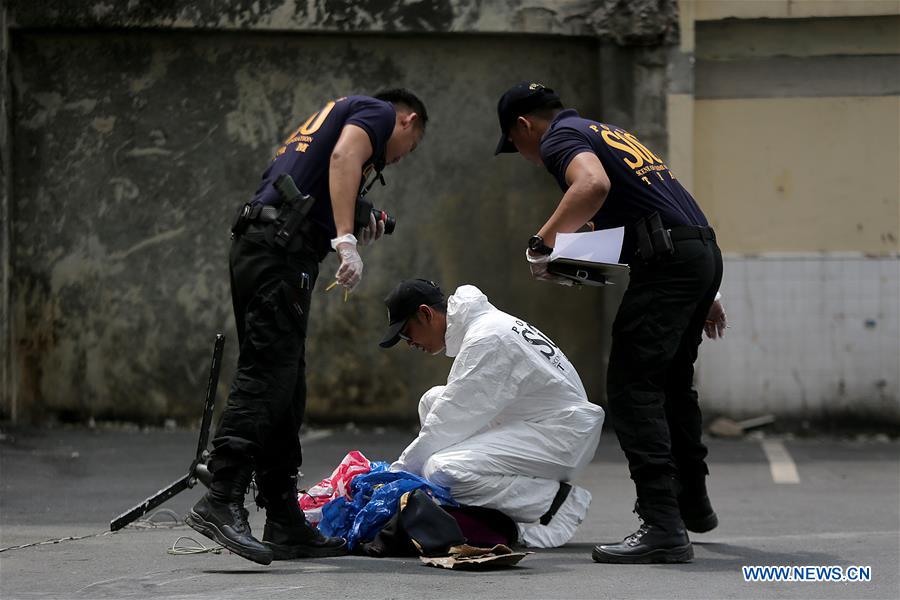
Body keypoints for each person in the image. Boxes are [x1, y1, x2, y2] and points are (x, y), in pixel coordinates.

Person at [186, 90, 428, 565]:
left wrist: (359, 215)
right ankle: (221, 497)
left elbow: (312, 177)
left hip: (264, 244)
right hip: (278, 252)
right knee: (268, 373)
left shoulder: (329, 119)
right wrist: (344, 241)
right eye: (410, 146)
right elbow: (342, 158)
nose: (398, 159)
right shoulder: (378, 112)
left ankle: (283, 518)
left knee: (286, 384)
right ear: (408, 121)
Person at [494, 82, 728, 564]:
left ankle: (663, 525)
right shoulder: (606, 132)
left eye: (516, 146)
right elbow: (656, 205)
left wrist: (541, 242)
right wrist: (705, 287)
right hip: (696, 252)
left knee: (631, 388)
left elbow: (592, 187)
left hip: (670, 265)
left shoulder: (561, 138)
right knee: (672, 386)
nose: (526, 157)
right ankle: (692, 504)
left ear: (524, 125)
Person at [379, 279, 605, 548]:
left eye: (406, 334)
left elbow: (447, 423)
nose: (410, 344)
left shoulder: (487, 339)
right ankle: (485, 508)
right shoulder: (486, 325)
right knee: (432, 400)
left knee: (442, 469)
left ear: (426, 314)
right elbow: (450, 413)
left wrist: (394, 479)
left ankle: (556, 503)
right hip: (541, 423)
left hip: (559, 438)